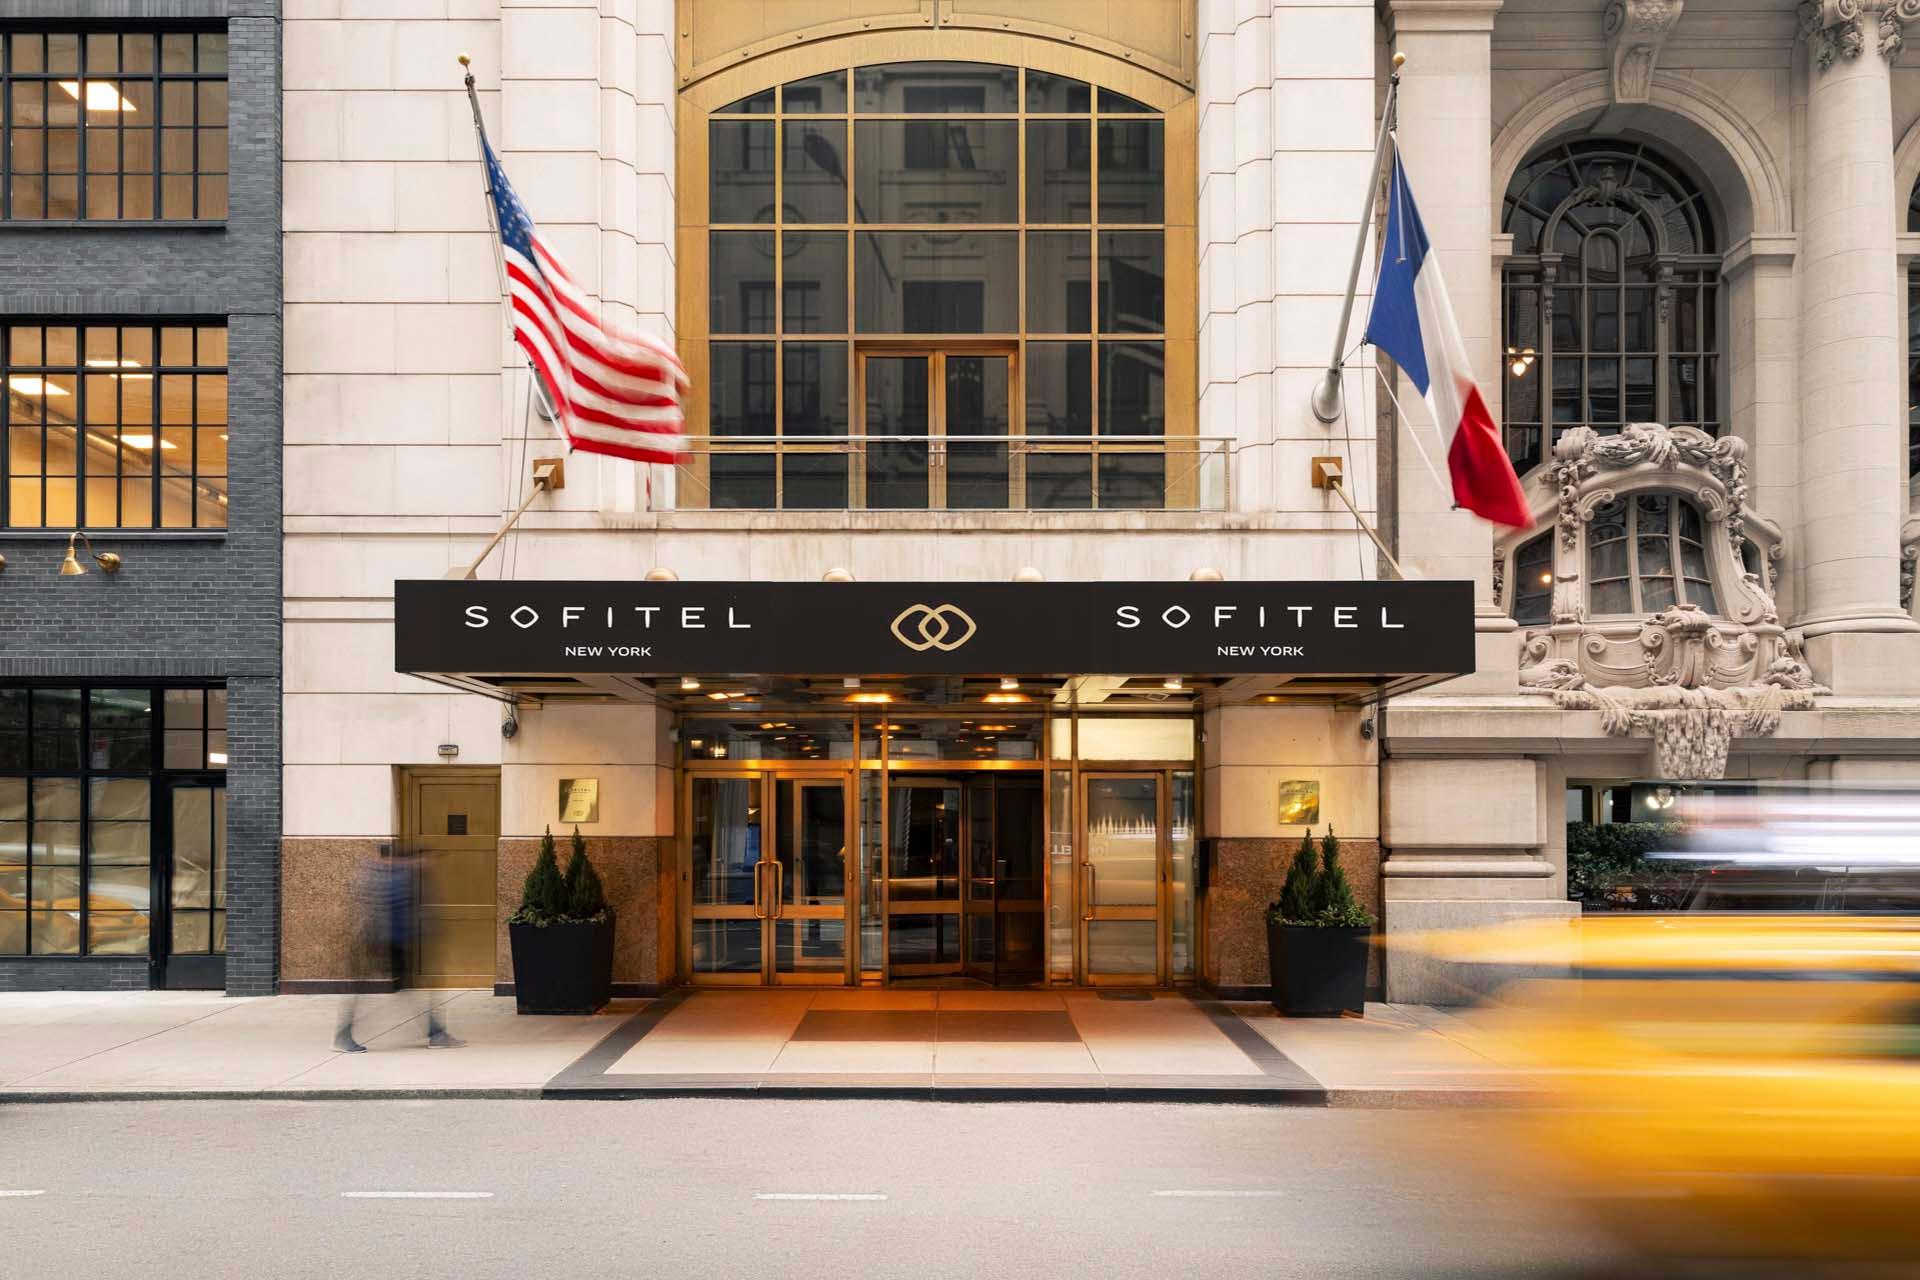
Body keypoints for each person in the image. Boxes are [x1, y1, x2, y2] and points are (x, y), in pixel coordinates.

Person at [334, 851, 464, 1051]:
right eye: (428, 861)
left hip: (388, 943)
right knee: (365, 990)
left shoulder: (394, 875)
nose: (430, 865)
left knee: (397, 990)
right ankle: (343, 1036)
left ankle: (436, 1032)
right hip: (385, 944)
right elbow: (392, 913)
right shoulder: (396, 878)